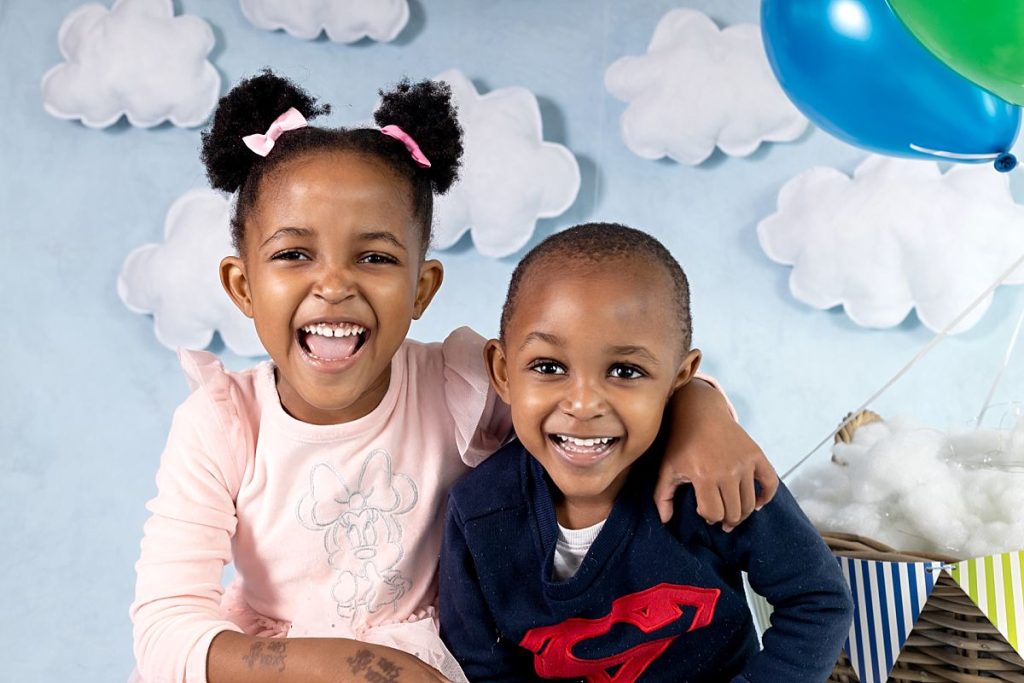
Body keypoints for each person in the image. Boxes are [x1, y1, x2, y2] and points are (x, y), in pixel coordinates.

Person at [129, 72, 778, 683]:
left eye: (375, 256)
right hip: (285, 667)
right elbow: (164, 629)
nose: (333, 283)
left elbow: (592, 403)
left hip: (447, 659)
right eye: (294, 253)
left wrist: (700, 408)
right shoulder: (222, 426)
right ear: (243, 285)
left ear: (422, 287)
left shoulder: (457, 385)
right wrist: (358, 664)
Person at [439, 223, 853, 682]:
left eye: (625, 371)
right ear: (503, 372)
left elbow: (817, 601)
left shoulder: (709, 481)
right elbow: (482, 666)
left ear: (679, 378)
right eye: (549, 367)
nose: (583, 404)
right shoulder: (478, 513)